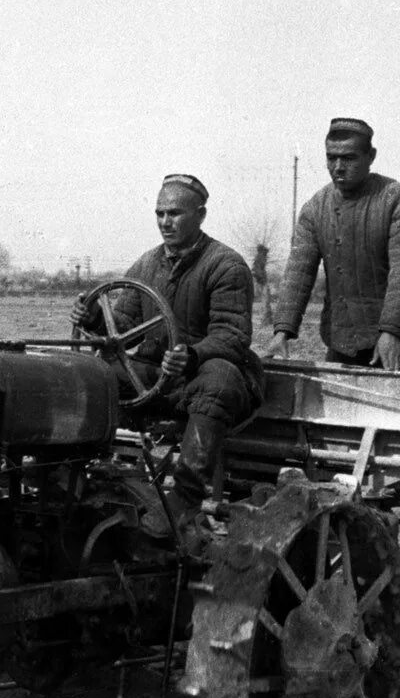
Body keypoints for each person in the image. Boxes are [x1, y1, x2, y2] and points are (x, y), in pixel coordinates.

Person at [71, 174, 262, 517]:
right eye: (159, 213)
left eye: (174, 213)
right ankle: (74, 475)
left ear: (201, 215)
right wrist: (95, 320)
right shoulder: (146, 264)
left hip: (203, 380)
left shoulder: (225, 265)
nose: (165, 222)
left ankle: (183, 500)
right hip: (158, 380)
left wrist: (191, 356)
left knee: (219, 378)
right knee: (93, 374)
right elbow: (125, 326)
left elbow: (232, 336)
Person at [267, 117, 400, 373]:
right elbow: (298, 273)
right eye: (331, 158)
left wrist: (391, 331)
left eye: (348, 158)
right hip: (344, 344)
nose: (337, 167)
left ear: (371, 156)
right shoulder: (314, 209)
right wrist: (282, 331)